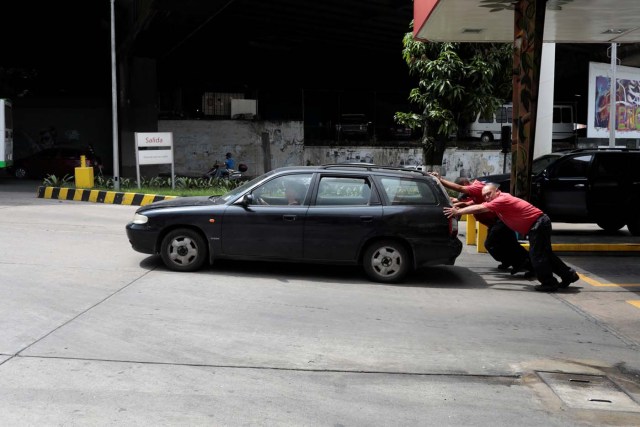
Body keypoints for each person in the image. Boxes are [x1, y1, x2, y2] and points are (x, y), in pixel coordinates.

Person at [443, 182, 580, 292]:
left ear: (497, 191)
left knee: (537, 255)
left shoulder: (502, 199)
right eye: (484, 196)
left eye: (489, 194)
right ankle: (569, 275)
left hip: (538, 224)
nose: (487, 197)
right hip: (537, 224)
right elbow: (475, 205)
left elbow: (479, 208)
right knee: (545, 254)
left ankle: (549, 283)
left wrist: (458, 211)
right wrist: (459, 205)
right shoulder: (499, 200)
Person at [431, 173, 531, 274]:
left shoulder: (476, 187)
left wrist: (441, 180)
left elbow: (461, 189)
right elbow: (472, 203)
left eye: (488, 195)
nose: (486, 197)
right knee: (508, 243)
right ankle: (519, 262)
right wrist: (457, 204)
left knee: (492, 244)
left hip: (499, 221)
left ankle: (521, 262)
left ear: (466, 183)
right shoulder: (476, 193)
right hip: (495, 223)